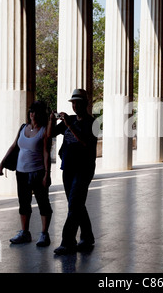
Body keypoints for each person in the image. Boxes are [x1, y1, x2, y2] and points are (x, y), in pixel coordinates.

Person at [0, 101, 53, 247]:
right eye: (31, 111)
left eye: (35, 112)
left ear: (41, 114)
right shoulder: (23, 127)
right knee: (23, 203)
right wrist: (2, 162)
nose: (32, 114)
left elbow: (46, 152)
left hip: (38, 172)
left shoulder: (44, 130)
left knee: (43, 202)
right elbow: (14, 145)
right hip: (21, 172)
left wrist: (47, 174)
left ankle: (44, 234)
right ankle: (24, 232)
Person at [49, 89, 98, 255]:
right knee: (75, 204)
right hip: (68, 167)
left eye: (78, 102)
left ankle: (67, 242)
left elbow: (86, 143)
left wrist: (70, 126)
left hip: (83, 169)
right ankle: (88, 236)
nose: (75, 105)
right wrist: (51, 120)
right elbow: (50, 134)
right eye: (73, 103)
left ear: (85, 103)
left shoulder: (93, 123)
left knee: (75, 204)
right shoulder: (68, 120)